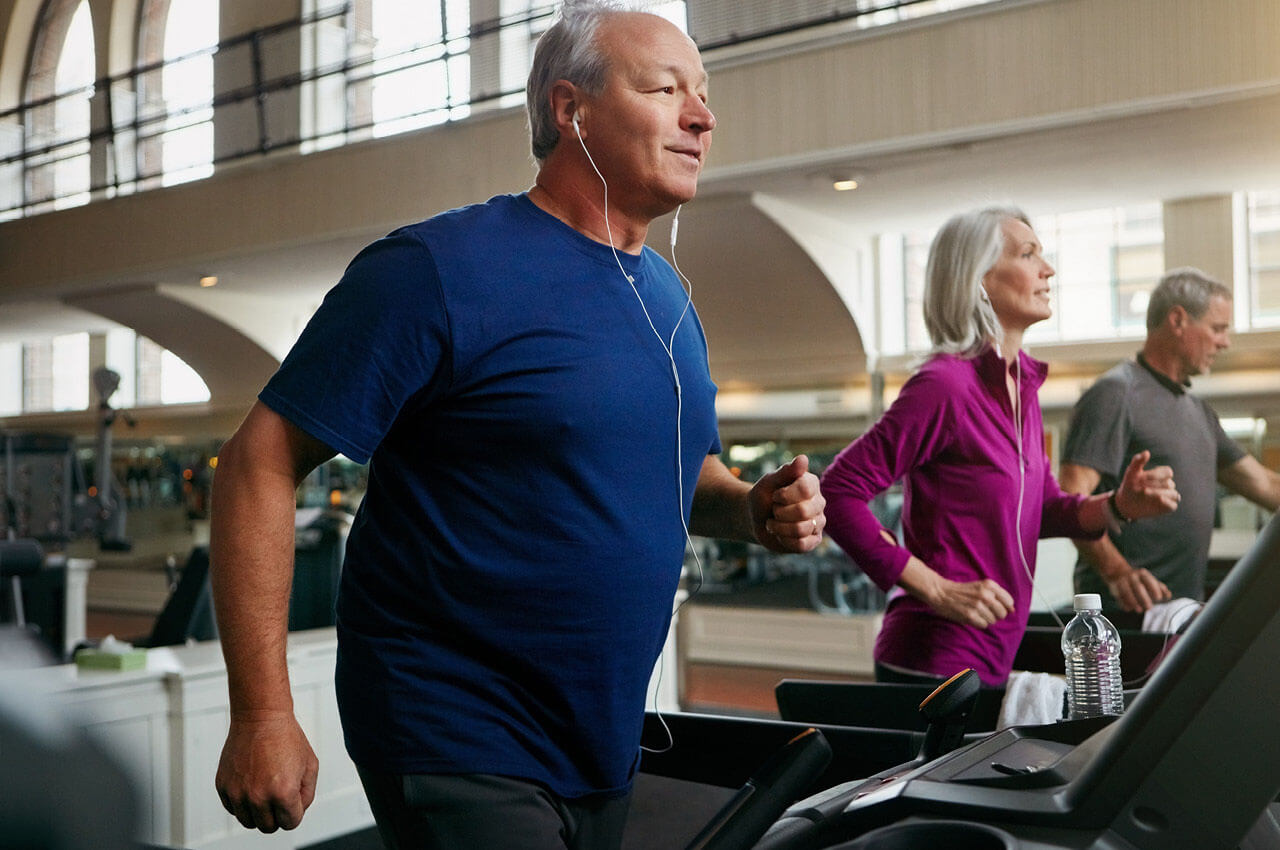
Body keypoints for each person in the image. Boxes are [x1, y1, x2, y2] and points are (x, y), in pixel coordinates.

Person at [208, 3, 826, 849]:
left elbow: (684, 477)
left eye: (705, 95)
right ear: (572, 110)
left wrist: (750, 509)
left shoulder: (670, 302)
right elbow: (259, 461)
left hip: (601, 740)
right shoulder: (436, 270)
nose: (702, 117)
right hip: (455, 726)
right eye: (665, 90)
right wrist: (262, 713)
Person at [820, 206, 1179, 687]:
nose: (1048, 270)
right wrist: (935, 588)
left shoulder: (1021, 389)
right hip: (932, 655)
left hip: (993, 650)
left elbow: (1044, 509)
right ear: (978, 278)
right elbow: (837, 491)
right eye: (1028, 255)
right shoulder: (945, 385)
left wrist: (1117, 506)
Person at [1060, 267, 1280, 613]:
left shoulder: (1198, 412)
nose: (1225, 342)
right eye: (1217, 328)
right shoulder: (1116, 393)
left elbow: (1264, 484)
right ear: (1178, 320)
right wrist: (1117, 572)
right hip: (1124, 614)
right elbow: (1070, 496)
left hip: (1179, 610)